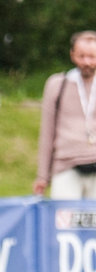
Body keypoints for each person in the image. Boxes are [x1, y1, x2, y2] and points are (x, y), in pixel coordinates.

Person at [33, 31, 96, 199]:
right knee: (63, 223)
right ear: (72, 55)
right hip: (66, 167)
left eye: (92, 57)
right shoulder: (57, 85)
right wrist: (42, 176)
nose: (87, 62)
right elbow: (47, 132)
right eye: (82, 56)